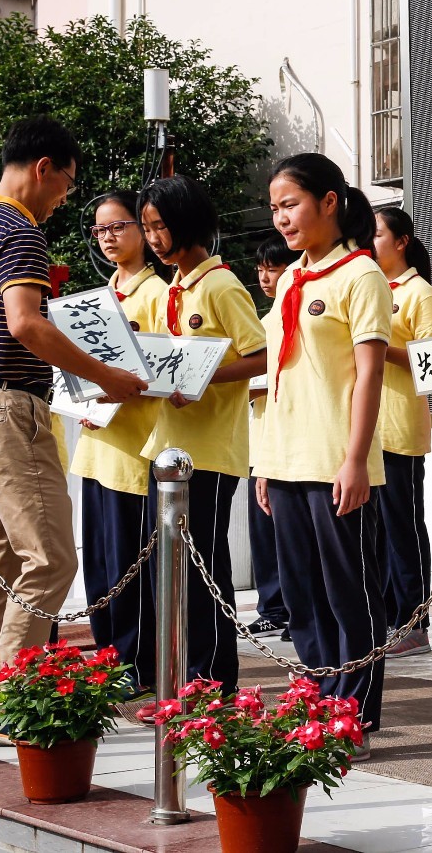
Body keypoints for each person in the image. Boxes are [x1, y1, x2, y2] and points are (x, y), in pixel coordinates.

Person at [0, 116, 148, 742]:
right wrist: (105, 375)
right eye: (66, 185)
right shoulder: (21, 232)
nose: (65, 200)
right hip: (10, 410)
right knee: (52, 557)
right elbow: (27, 323)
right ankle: (6, 692)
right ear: (43, 168)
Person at [256, 152, 392, 753]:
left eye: (291, 205)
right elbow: (278, 376)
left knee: (350, 589)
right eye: (276, 208)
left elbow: (368, 376)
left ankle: (354, 710)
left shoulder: (361, 275)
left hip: (337, 457)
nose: (282, 219)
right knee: (303, 592)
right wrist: (266, 461)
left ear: (329, 202)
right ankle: (317, 698)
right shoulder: (288, 280)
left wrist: (356, 457)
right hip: (287, 458)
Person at [137, 175, 267, 696]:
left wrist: (201, 377)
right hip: (168, 446)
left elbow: (258, 356)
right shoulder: (173, 286)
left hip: (209, 451)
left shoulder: (221, 285)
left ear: (187, 222)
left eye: (159, 226)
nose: (152, 238)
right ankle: (180, 679)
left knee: (203, 570)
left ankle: (212, 682)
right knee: (168, 570)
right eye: (146, 227)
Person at [68, 191, 167, 699]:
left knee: (132, 564)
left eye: (118, 227)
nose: (108, 238)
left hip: (135, 447)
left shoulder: (158, 294)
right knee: (102, 564)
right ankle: (108, 658)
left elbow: (161, 371)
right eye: (100, 230)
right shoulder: (96, 300)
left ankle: (138, 664)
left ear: (143, 232)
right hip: (95, 443)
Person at [372, 206, 432, 658]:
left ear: (401, 242)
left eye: (376, 234)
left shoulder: (419, 293)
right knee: (375, 532)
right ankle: (384, 618)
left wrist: (381, 346)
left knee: (403, 528)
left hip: (399, 426)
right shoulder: (367, 287)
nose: (368, 241)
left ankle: (414, 622)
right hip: (367, 431)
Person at [246, 234, 300, 642]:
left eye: (274, 268)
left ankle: (295, 608)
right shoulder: (264, 318)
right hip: (260, 437)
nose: (266, 277)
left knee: (290, 535)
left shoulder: (295, 313)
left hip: (289, 439)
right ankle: (272, 606)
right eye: (262, 269)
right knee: (263, 533)